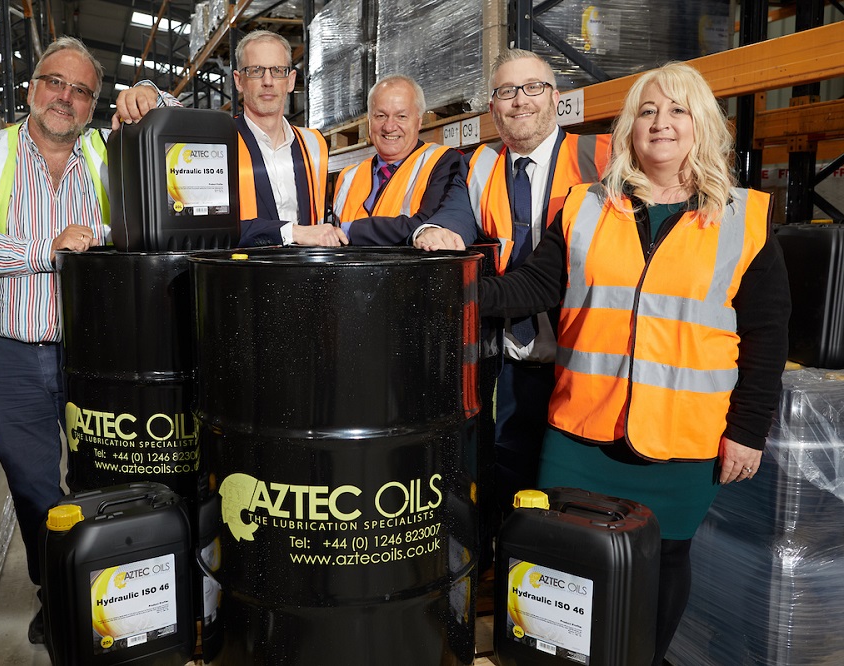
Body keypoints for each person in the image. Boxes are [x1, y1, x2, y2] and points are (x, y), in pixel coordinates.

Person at [478, 61, 790, 664]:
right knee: (559, 561)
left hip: (682, 440)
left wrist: (748, 432)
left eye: (677, 110)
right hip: (580, 431)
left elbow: (766, 338)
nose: (661, 123)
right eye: (647, 110)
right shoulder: (583, 206)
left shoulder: (743, 218)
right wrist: (451, 292)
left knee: (664, 559)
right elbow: (532, 288)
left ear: (702, 125)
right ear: (628, 127)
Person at [0, 36, 170, 645]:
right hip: (9, 352)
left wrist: (153, 93)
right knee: (35, 483)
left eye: (80, 90)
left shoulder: (106, 151)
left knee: (105, 475)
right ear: (31, 88)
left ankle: (113, 595)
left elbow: (169, 147)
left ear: (94, 105)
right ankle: (59, 592)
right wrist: (46, 250)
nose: (64, 97)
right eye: (54, 83)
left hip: (95, 352)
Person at [467, 50, 611, 514]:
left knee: (574, 489)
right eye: (506, 92)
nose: (519, 101)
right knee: (512, 468)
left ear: (555, 98)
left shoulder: (603, 158)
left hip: (586, 354)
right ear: (493, 107)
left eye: (532, 88)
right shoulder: (481, 165)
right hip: (516, 352)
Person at [332, 75, 476, 249]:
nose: (389, 126)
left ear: (419, 121)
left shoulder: (443, 162)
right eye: (380, 116)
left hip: (410, 274)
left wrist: (349, 231)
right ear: (369, 121)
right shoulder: (348, 177)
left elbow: (425, 227)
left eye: (401, 116)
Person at [231, 30, 346, 247]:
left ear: (291, 80)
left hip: (305, 272)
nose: (268, 81)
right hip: (244, 273)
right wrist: (291, 233)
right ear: (239, 80)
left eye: (277, 71)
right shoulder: (221, 142)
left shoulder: (314, 143)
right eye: (256, 70)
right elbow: (210, 228)